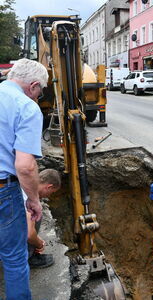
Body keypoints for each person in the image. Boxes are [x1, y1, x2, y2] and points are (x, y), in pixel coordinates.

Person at [0, 58, 48, 300]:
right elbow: (25, 166)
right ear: (34, 85)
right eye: (40, 92)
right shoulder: (26, 107)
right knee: (14, 257)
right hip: (2, 189)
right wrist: (34, 200)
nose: (38, 97)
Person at [26, 169, 61, 268]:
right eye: (51, 192)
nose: (49, 195)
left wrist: (35, 238)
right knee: (38, 214)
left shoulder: (25, 183)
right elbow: (29, 234)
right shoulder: (28, 197)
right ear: (49, 187)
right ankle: (28, 258)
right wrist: (39, 243)